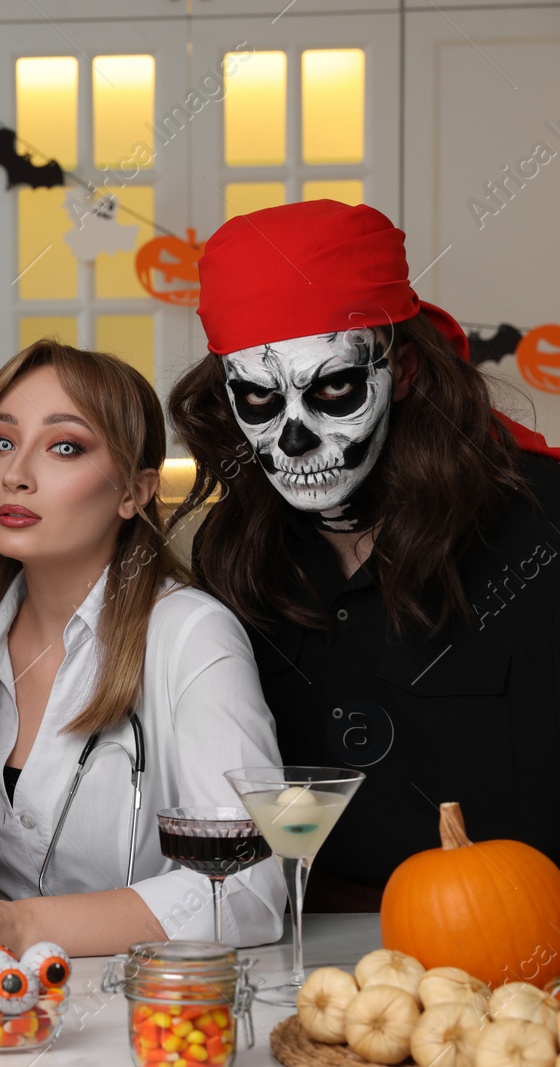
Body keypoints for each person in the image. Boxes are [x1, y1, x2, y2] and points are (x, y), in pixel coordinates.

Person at [167, 199, 560, 910]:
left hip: (514, 960)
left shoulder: (544, 526)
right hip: (296, 955)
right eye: (258, 398)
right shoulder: (233, 555)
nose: (294, 440)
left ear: (403, 370)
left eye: (336, 387)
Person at [0, 340, 286, 957]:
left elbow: (249, 890)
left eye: (65, 447)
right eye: (1, 442)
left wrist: (17, 926)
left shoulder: (192, 636)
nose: (16, 474)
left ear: (135, 492)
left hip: (139, 1017)